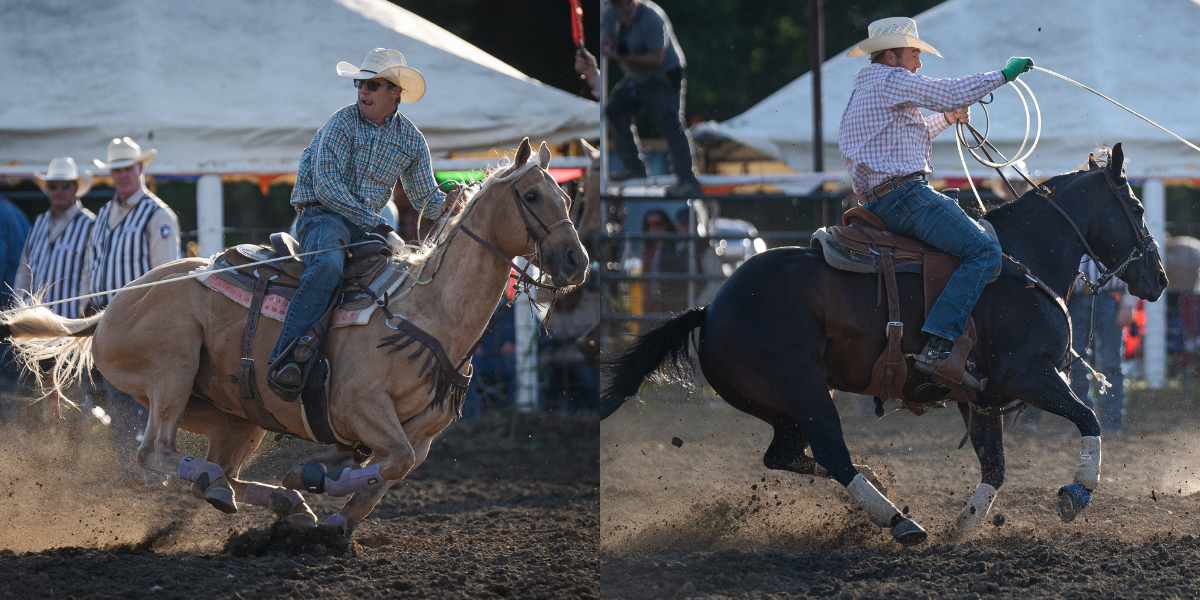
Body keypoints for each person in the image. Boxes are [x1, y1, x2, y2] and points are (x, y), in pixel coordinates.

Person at [838, 16, 1033, 382]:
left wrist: (944, 119)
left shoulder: (866, 88)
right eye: (914, 54)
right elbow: (950, 91)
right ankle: (940, 344)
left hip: (880, 201)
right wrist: (1003, 76)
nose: (919, 63)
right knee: (985, 251)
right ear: (892, 56)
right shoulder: (893, 80)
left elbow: (901, 138)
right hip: (906, 196)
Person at [270, 48, 455, 389]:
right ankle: (287, 356)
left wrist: (449, 205)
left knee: (400, 281)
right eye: (360, 84)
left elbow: (425, 197)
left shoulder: (411, 140)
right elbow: (327, 188)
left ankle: (375, 372)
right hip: (322, 216)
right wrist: (379, 226)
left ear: (394, 92)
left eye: (372, 85)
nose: (363, 92)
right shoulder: (340, 123)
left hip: (366, 227)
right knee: (326, 265)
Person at [84, 137, 181, 485]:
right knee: (113, 398)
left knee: (136, 397)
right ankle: (129, 468)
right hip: (102, 319)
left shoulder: (158, 216)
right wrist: (86, 306)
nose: (123, 174)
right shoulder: (103, 216)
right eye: (117, 169)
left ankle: (148, 471)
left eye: (128, 167)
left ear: (140, 169)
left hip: (139, 323)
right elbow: (90, 266)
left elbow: (168, 276)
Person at [602, 0, 701, 198]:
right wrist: (609, 46)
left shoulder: (652, 17)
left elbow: (656, 58)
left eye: (629, 2)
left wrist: (624, 57)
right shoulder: (608, 14)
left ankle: (687, 180)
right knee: (614, 110)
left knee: (669, 121)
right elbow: (605, 42)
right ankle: (633, 166)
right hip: (636, 78)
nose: (626, 7)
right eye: (620, 4)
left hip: (663, 77)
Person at [1024, 257, 1133, 434]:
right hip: (1074, 300)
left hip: (1109, 298)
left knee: (1111, 364)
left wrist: (1129, 303)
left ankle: (1112, 424)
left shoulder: (1113, 230)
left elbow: (1133, 261)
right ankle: (1084, 421)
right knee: (1075, 365)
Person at [17, 157, 97, 318]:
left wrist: (80, 319)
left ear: (75, 187)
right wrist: (20, 308)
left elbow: (91, 277)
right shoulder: (39, 222)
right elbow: (24, 270)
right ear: (46, 188)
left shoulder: (90, 224)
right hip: (35, 323)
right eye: (53, 186)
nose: (59, 191)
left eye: (65, 186)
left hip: (69, 323)